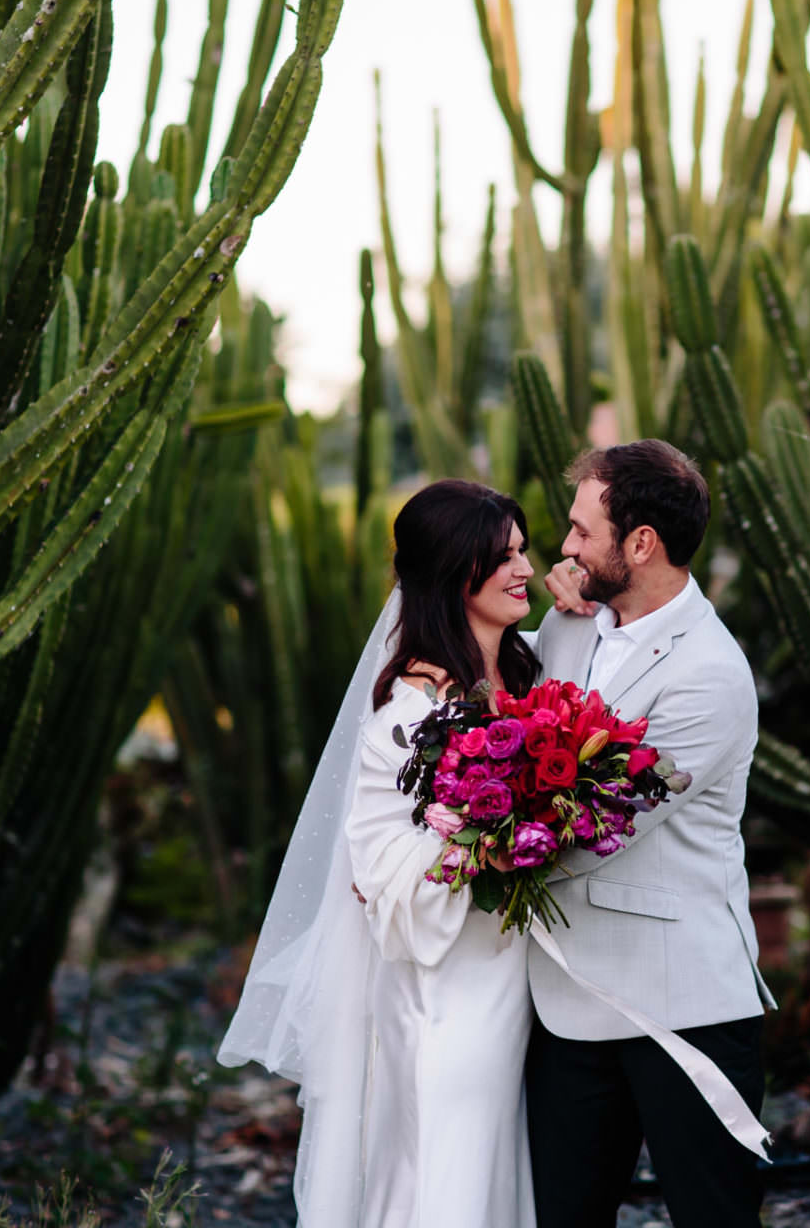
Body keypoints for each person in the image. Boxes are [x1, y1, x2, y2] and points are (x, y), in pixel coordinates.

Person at [217, 478, 543, 1228]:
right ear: (456, 572)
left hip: (517, 982)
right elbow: (379, 876)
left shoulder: (527, 676)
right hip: (443, 986)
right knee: (442, 1166)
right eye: (504, 557)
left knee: (494, 1163)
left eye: (525, 550)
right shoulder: (408, 715)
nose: (525, 569)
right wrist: (472, 842)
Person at [529, 439, 775, 1228]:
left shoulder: (711, 675)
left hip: (684, 1004)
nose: (563, 548)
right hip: (566, 1003)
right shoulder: (566, 628)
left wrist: (461, 854)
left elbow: (602, 822)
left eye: (579, 531)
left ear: (641, 544)